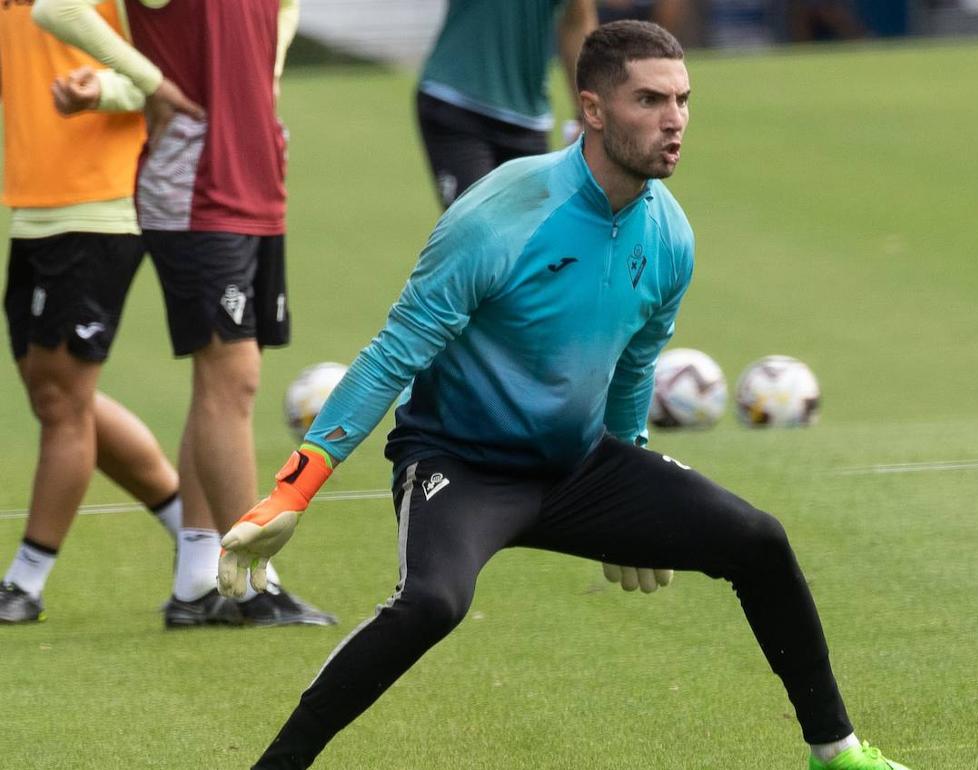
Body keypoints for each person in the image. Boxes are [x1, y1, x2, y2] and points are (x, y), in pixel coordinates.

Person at [219, 20, 913, 770]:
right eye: (649, 100)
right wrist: (292, 492)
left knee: (759, 541)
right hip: (462, 464)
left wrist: (635, 496)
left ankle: (835, 754)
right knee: (433, 604)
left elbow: (634, 365)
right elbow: (393, 356)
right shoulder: (500, 214)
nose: (673, 120)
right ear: (592, 109)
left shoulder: (670, 235)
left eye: (682, 100)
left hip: (581, 467)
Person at [32, 0, 334, 628]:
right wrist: (150, 83)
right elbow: (56, 8)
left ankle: (199, 581)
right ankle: (252, 584)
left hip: (254, 179)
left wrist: (266, 73)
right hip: (195, 189)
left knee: (219, 377)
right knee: (234, 375)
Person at [0, 0, 184, 624]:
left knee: (61, 402)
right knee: (56, 396)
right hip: (32, 205)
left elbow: (171, 70)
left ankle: (24, 582)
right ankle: (195, 530)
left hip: (101, 205)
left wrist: (100, 87)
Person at [416, 0, 597, 208]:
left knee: (531, 235)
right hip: (456, 104)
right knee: (475, 230)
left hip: (528, 121)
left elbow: (577, 20)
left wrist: (587, 113)